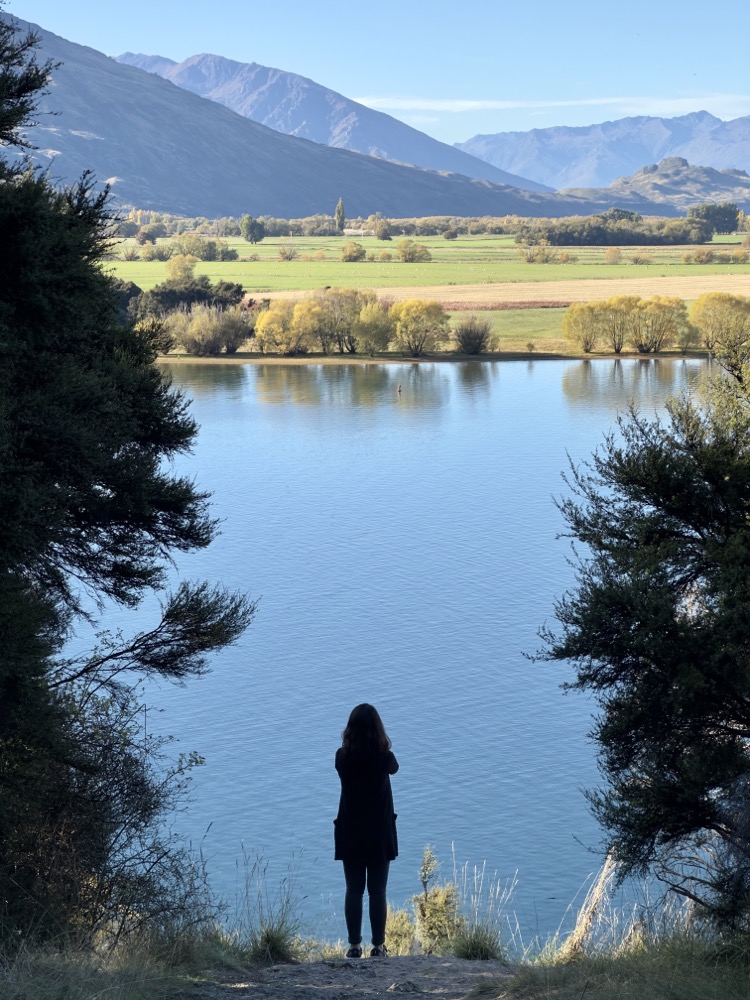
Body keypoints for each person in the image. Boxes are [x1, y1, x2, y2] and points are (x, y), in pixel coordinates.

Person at [334, 703, 399, 958]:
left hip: (350, 831)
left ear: (350, 729)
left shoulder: (343, 757)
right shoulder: (385, 758)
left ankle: (353, 946)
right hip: (379, 833)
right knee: (377, 891)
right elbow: (395, 768)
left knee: (353, 889)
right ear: (378, 729)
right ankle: (379, 947)